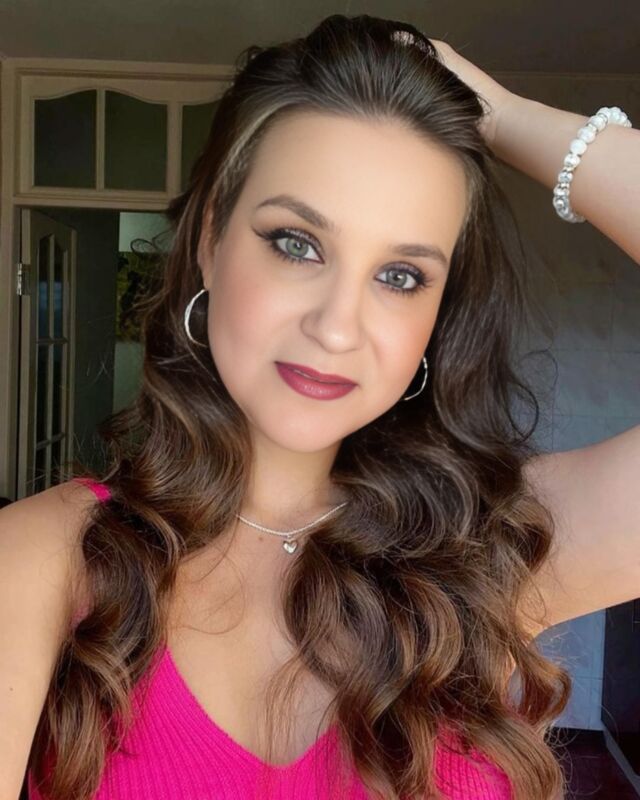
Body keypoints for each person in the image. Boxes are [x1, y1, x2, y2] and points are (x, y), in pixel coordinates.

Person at [1, 13, 638, 800]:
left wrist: (509, 119)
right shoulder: (42, 560)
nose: (337, 327)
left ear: (437, 315)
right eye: (297, 244)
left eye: (400, 277)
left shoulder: (489, 555)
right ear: (210, 240)